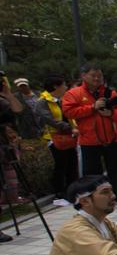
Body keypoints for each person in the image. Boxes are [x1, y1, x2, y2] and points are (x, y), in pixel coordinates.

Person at [62, 64, 117, 205]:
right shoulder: (74, 93)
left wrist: (111, 113)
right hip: (89, 140)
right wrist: (92, 108)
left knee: (115, 169)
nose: (97, 78)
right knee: (92, 172)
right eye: (93, 75)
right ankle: (95, 199)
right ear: (83, 76)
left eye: (100, 75)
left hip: (112, 138)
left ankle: (116, 194)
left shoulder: (110, 92)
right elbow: (69, 112)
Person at [36, 76, 78, 206]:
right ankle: (60, 192)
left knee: (72, 164)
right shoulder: (43, 102)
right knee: (61, 165)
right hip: (54, 138)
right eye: (64, 85)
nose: (66, 88)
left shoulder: (62, 100)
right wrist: (69, 128)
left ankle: (73, 191)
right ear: (55, 86)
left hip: (69, 137)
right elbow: (50, 120)